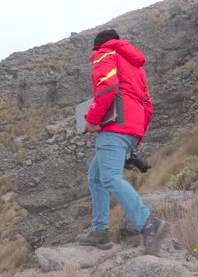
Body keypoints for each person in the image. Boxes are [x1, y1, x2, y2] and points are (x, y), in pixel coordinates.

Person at [78, 29, 167, 255]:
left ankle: (147, 223)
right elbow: (148, 106)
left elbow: (107, 87)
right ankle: (99, 232)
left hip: (115, 127)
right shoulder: (137, 68)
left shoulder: (105, 54)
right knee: (96, 177)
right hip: (132, 129)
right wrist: (136, 139)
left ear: (99, 46)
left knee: (109, 177)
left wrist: (91, 120)